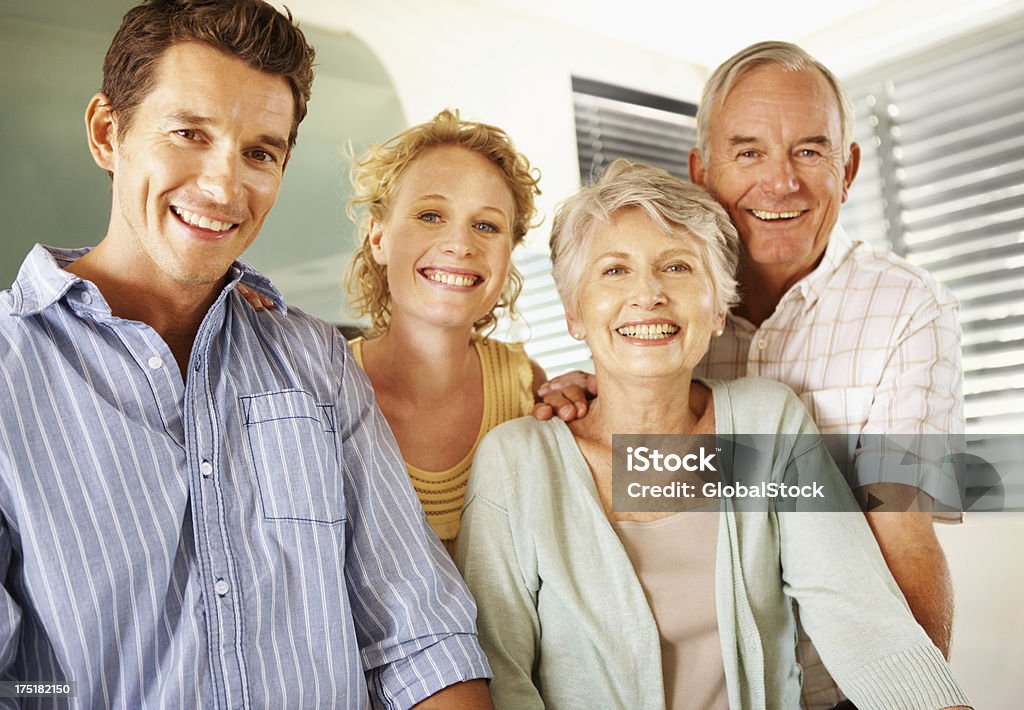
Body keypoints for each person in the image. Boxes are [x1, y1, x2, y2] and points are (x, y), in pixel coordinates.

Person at [0, 1, 492, 707]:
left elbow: (422, 639)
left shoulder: (317, 362)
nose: (225, 185)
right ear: (109, 133)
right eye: (189, 134)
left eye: (260, 152)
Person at [536, 41, 963, 709]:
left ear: (847, 169)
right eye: (748, 151)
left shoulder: (907, 307)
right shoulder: (667, 308)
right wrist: (585, 392)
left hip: (839, 689)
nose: (781, 182)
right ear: (699, 169)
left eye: (810, 151)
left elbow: (903, 531)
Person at [244, 110, 545, 554]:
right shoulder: (319, 388)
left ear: (508, 254)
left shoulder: (529, 389)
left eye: (487, 225)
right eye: (430, 215)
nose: (461, 243)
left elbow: (662, 497)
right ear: (378, 238)